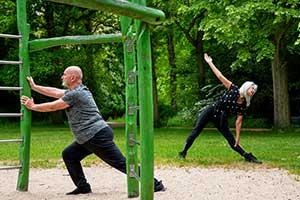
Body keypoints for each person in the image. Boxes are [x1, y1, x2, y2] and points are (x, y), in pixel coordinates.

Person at [21, 66, 165, 195]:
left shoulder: (76, 94)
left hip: (96, 136)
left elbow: (54, 106)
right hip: (89, 137)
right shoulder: (76, 91)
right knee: (69, 155)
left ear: (72, 77)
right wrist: (35, 87)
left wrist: (33, 107)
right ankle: (83, 187)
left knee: (120, 162)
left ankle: (155, 184)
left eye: (64, 74)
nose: (62, 77)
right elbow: (56, 92)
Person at [178, 53, 262, 164]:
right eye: (252, 89)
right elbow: (220, 76)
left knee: (231, 140)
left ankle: (247, 156)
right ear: (247, 87)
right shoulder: (234, 89)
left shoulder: (244, 104)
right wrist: (210, 62)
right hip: (211, 110)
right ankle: (183, 152)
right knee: (196, 131)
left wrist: (238, 137)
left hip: (222, 118)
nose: (252, 92)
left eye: (254, 91)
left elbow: (238, 121)